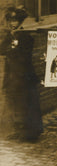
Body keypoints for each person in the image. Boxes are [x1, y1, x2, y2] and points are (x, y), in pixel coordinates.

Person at [0, 7, 43, 142]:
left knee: (27, 104)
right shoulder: (10, 35)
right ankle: (18, 131)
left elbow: (24, 57)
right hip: (13, 75)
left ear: (20, 22)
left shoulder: (26, 36)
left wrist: (13, 49)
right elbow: (1, 49)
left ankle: (30, 133)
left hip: (24, 75)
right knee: (15, 104)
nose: (13, 24)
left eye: (15, 21)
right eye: (11, 21)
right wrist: (11, 46)